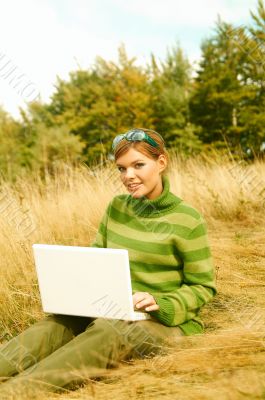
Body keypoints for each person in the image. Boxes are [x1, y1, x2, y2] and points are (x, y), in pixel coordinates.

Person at [0, 128, 217, 397]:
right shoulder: (116, 207)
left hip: (167, 324)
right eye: (121, 168)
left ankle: (15, 393)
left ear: (161, 162)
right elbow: (97, 260)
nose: (129, 176)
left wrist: (162, 303)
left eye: (139, 165)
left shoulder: (188, 219)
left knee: (110, 330)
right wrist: (77, 289)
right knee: (57, 324)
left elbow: (203, 287)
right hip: (112, 309)